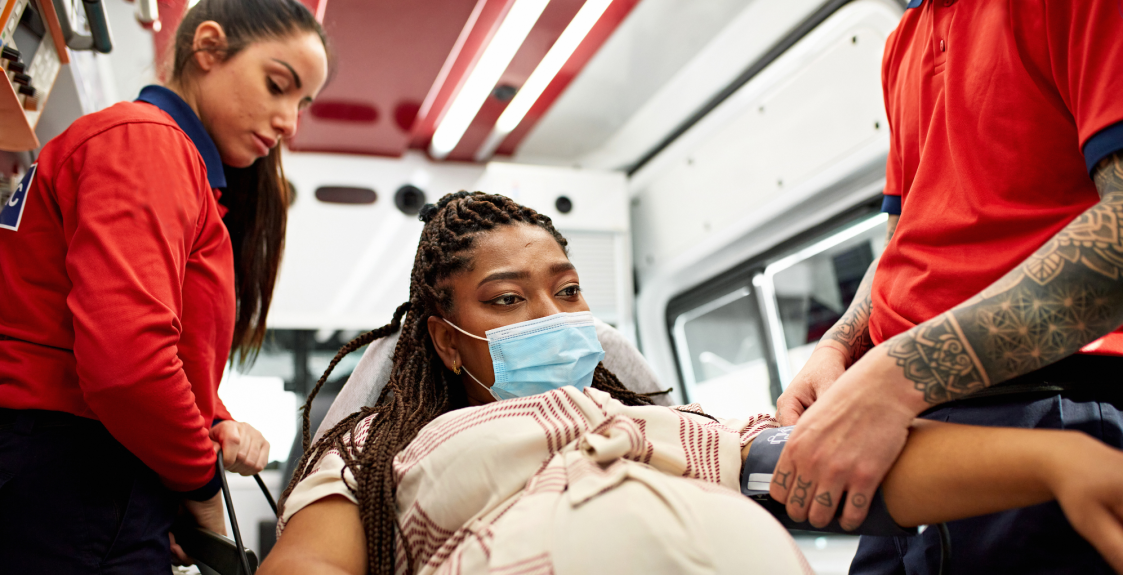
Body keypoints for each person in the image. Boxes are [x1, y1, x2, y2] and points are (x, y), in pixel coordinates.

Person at [259, 192, 1123, 575]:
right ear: (446, 340)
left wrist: (1056, 463)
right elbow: (312, 563)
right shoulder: (376, 449)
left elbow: (838, 462)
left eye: (568, 290)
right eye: (506, 300)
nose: (553, 316)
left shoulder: (661, 422)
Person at [772, 1, 1123, 573]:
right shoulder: (902, 39)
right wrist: (839, 346)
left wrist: (895, 378)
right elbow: (903, 242)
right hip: (907, 428)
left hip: (1047, 401)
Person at [0, 0, 328, 571]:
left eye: (301, 104)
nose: (289, 122)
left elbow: (150, 345)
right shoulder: (146, 142)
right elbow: (128, 364)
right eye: (278, 86)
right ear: (208, 48)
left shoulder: (159, 157)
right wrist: (201, 489)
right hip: (71, 465)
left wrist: (212, 419)